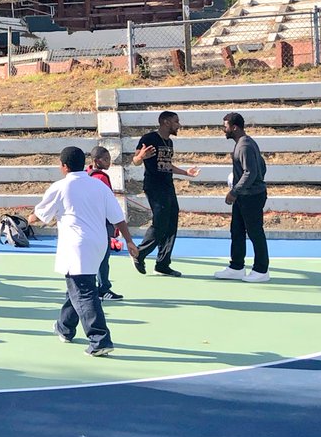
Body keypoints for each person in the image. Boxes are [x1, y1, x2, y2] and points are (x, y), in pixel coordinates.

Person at [31, 147, 138, 357]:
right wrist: (129, 241)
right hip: (99, 244)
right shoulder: (98, 185)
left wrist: (26, 219)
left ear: (64, 166)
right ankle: (64, 327)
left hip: (77, 246)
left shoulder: (61, 187)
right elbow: (118, 217)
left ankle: (100, 339)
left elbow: (40, 215)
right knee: (77, 286)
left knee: (84, 291)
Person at [131, 110, 199, 277]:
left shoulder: (169, 142)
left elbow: (166, 165)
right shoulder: (149, 139)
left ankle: (163, 264)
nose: (179, 125)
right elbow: (136, 161)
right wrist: (140, 156)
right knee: (160, 222)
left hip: (168, 186)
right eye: (176, 121)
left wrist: (185, 173)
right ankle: (139, 253)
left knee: (171, 222)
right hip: (154, 187)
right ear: (166, 122)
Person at [214, 112, 270, 283]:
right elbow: (262, 166)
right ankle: (236, 267)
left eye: (225, 126)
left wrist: (234, 191)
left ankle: (261, 270)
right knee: (237, 231)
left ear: (234, 127)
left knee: (255, 232)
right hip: (244, 196)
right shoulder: (244, 142)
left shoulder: (244, 145)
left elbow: (251, 172)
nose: (224, 130)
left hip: (251, 196)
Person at [86, 147, 124, 301]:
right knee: (103, 258)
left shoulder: (86, 173)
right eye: (106, 159)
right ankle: (103, 289)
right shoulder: (101, 178)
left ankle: (90, 288)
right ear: (97, 161)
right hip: (100, 223)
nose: (109, 162)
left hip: (89, 222)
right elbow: (107, 202)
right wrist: (114, 224)